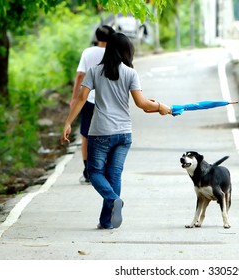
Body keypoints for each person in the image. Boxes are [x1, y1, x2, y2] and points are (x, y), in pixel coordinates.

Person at [62, 32, 171, 229]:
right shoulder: (130, 73)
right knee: (114, 175)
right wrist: (161, 107)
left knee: (94, 172)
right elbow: (142, 104)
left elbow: (81, 99)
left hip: (101, 131)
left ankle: (112, 200)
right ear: (127, 51)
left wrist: (68, 122)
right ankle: (106, 221)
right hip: (123, 133)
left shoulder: (95, 71)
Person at [70, 25, 115, 184]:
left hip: (88, 99)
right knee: (107, 135)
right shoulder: (114, 53)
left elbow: (80, 75)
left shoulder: (88, 52)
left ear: (97, 38)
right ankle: (105, 169)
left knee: (86, 136)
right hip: (108, 100)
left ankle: (88, 171)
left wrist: (74, 97)